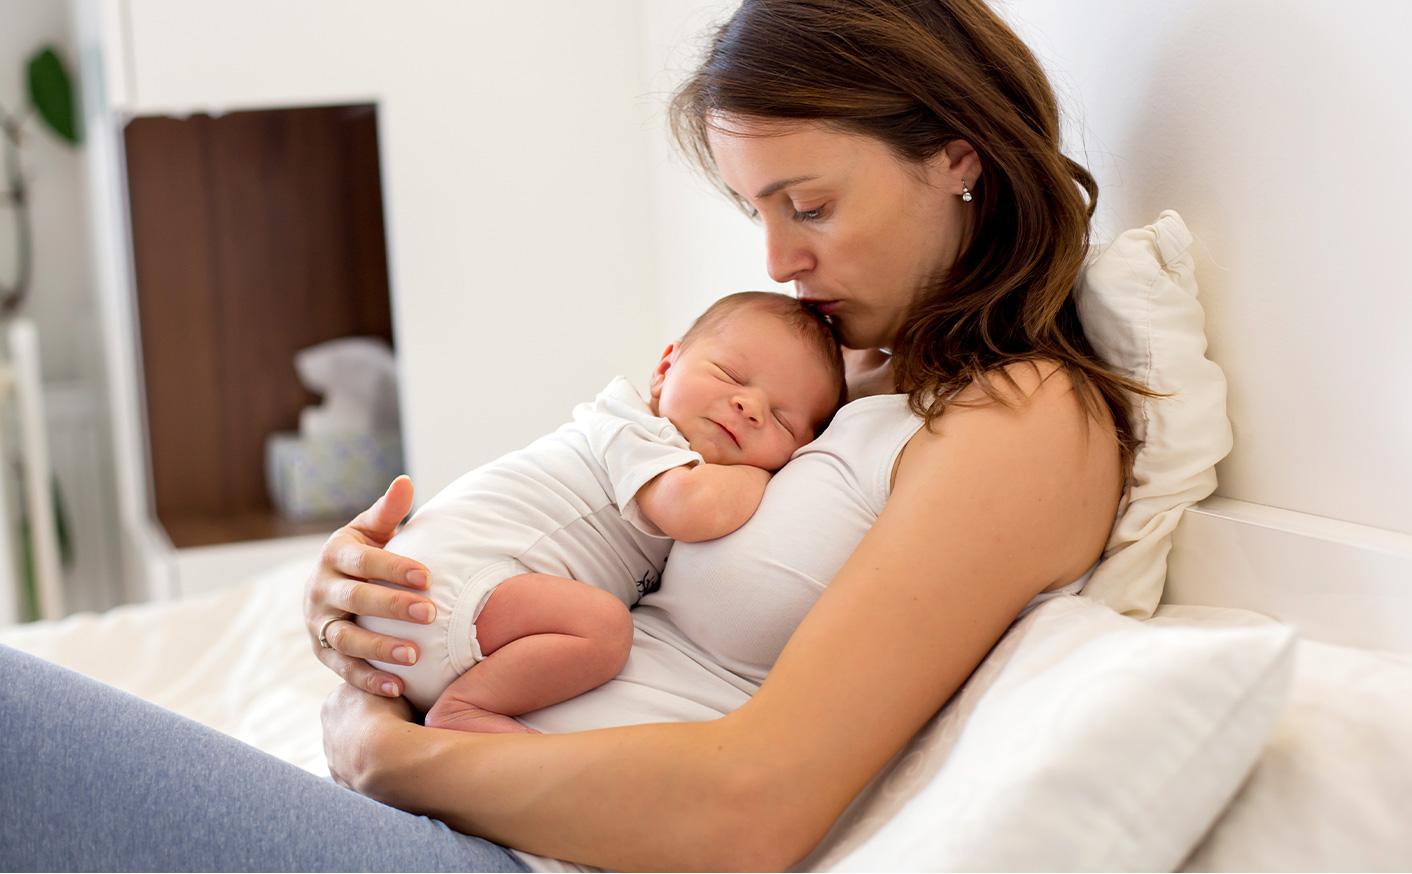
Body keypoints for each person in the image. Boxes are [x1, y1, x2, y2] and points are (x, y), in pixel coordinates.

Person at [0, 1, 1156, 870]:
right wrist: (372, 605)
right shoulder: (831, 371)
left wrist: (396, 755)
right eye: (754, 212)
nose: (776, 261)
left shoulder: (1024, 422)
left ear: (958, 153)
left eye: (807, 205)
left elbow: (757, 800)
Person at [356, 291, 843, 734]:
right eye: (730, 376)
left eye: (783, 419)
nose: (750, 406)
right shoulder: (633, 428)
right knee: (606, 630)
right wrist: (763, 473)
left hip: (443, 619)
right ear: (664, 367)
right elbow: (690, 510)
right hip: (444, 590)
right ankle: (465, 709)